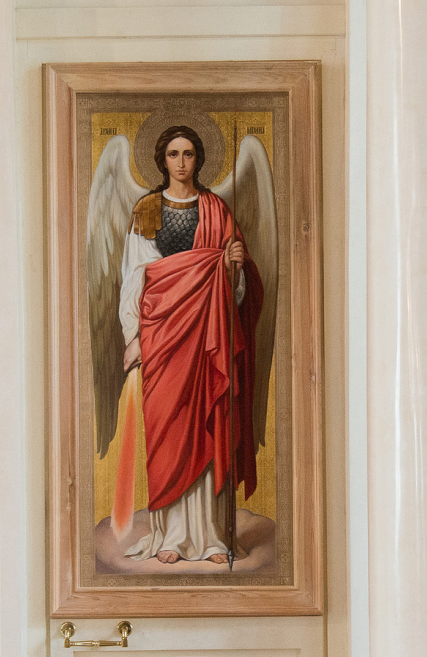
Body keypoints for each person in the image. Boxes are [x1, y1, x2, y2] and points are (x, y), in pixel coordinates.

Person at [117, 125, 263, 564]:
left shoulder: (216, 209)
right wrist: (134, 336)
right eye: (173, 154)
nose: (181, 163)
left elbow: (232, 289)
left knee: (208, 421)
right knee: (168, 429)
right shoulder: (147, 209)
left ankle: (211, 537)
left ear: (199, 159)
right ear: (162, 160)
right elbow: (136, 276)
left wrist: (234, 266)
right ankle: (170, 537)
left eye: (188, 154)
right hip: (162, 336)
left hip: (206, 335)